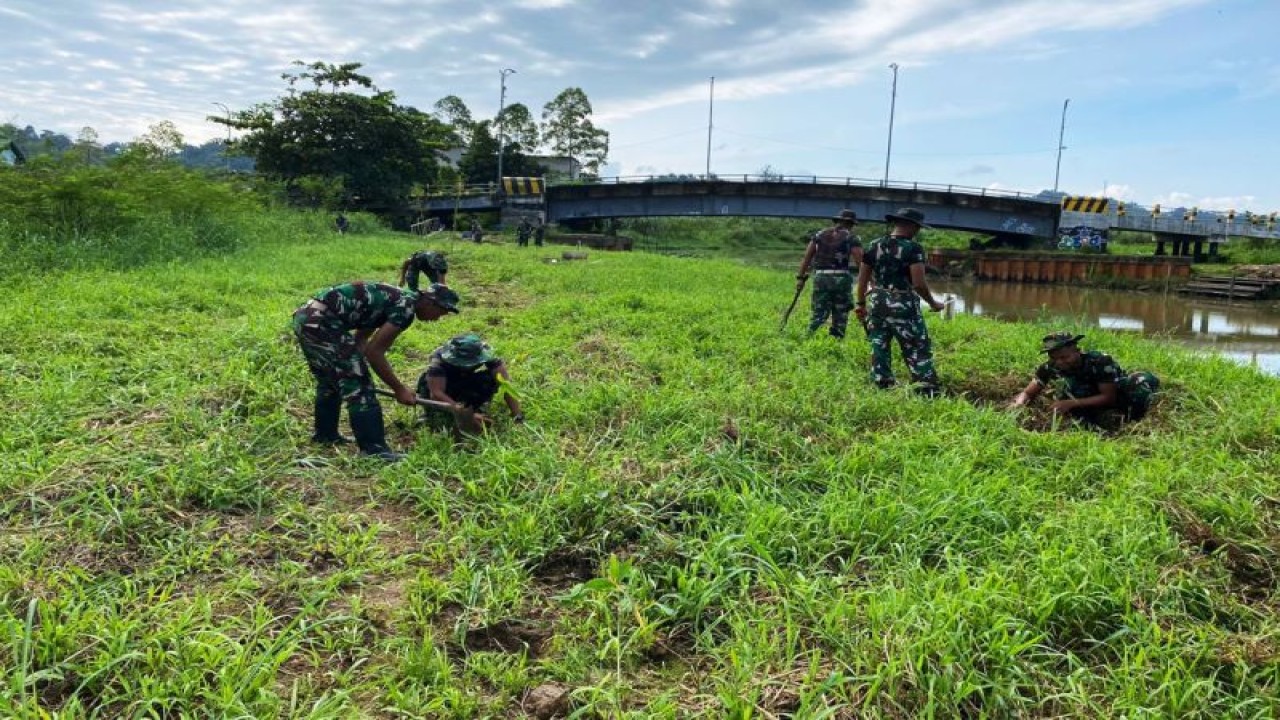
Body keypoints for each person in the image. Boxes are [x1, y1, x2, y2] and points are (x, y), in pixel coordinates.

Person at [292, 282, 460, 461]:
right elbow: (375, 352)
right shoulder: (405, 308)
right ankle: (374, 450)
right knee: (361, 388)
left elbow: (362, 338)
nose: (437, 318)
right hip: (324, 323)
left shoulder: (396, 298)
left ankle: (326, 435)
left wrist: (353, 364)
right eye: (441, 312)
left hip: (307, 318)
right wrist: (399, 388)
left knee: (331, 380)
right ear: (430, 302)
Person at [855, 207, 948, 394]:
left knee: (879, 343)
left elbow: (862, 280)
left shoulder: (874, 245)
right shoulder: (913, 248)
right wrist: (933, 303)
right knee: (916, 345)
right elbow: (919, 284)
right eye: (918, 228)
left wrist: (860, 304)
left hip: (878, 301)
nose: (918, 231)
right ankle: (927, 389)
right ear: (912, 226)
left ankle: (882, 384)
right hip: (903, 302)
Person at [1008, 332, 1160, 429]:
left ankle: (1133, 421)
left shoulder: (1099, 361)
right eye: (1055, 358)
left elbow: (1109, 397)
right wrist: (1019, 403)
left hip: (1115, 393)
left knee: (1139, 390)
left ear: (1077, 351)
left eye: (1064, 357)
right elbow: (1028, 392)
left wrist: (1070, 403)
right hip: (1084, 398)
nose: (1060, 362)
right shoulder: (1049, 367)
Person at [415, 333, 524, 432]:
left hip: (466, 381)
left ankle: (473, 405)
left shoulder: (487, 353)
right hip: (445, 385)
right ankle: (433, 414)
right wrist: (467, 415)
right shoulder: (438, 360)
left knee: (488, 379)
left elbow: (506, 385)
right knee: (429, 391)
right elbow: (436, 394)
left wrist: (517, 416)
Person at [795, 209, 863, 338]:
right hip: (841, 279)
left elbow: (807, 258)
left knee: (818, 311)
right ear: (851, 224)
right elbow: (861, 262)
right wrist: (870, 281)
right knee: (841, 312)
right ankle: (837, 338)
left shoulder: (819, 235)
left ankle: (808, 336)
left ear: (837, 221)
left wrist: (800, 278)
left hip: (821, 277)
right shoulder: (851, 237)